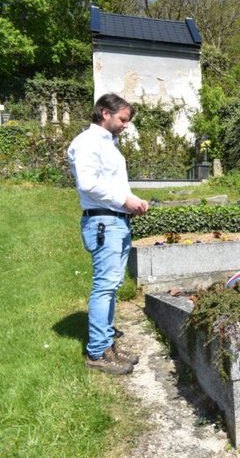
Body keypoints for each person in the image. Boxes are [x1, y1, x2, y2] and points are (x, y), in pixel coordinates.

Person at [67, 93, 149, 375]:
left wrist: (132, 201)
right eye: (123, 119)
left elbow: (112, 185)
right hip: (103, 222)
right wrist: (124, 200)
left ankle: (108, 344)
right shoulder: (87, 142)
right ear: (105, 113)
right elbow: (88, 184)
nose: (126, 125)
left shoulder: (108, 144)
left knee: (111, 286)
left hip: (115, 221)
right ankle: (97, 352)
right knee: (104, 287)